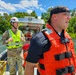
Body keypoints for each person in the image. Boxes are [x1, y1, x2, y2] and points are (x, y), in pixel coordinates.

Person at [24, 6, 76, 75]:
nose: (69, 17)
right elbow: (30, 66)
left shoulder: (67, 37)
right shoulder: (39, 39)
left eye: (69, 15)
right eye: (65, 14)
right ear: (54, 17)